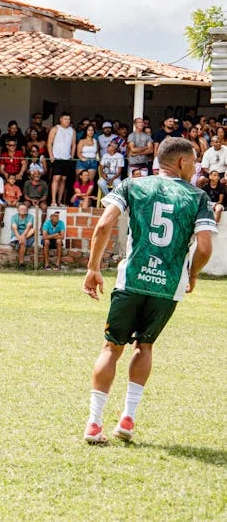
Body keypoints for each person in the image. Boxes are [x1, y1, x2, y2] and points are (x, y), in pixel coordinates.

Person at [82, 137, 215, 444]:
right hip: (167, 287)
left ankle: (94, 422)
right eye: (194, 162)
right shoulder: (197, 197)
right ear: (181, 162)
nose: (195, 169)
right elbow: (205, 247)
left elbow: (103, 226)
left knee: (111, 347)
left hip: (132, 280)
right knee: (145, 346)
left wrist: (93, 268)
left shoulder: (133, 185)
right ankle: (127, 419)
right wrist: (192, 273)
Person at [48, 112, 76, 206]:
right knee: (56, 178)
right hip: (57, 157)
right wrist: (51, 155)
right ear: (60, 119)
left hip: (67, 158)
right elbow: (49, 143)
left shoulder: (72, 130)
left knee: (63, 179)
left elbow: (73, 144)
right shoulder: (55, 129)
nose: (67, 121)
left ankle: (59, 201)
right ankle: (53, 201)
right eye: (65, 119)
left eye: (68, 119)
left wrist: (72, 156)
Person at [9, 203, 35, 269]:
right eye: (22, 209)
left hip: (27, 236)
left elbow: (28, 227)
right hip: (17, 235)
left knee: (33, 229)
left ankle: (17, 242)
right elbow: (14, 228)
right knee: (23, 242)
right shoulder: (14, 217)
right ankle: (21, 263)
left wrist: (22, 237)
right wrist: (20, 237)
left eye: (25, 209)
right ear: (18, 210)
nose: (24, 210)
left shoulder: (30, 217)